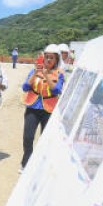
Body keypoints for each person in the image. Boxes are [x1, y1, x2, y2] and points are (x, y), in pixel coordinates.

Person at [21, 43, 65, 171]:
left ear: (56, 59)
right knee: (28, 137)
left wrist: (46, 75)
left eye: (52, 57)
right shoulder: (34, 71)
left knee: (44, 139)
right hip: (32, 108)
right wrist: (36, 73)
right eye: (47, 57)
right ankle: (26, 163)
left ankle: (40, 164)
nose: (48, 60)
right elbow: (25, 87)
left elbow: (56, 90)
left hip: (49, 110)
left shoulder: (59, 74)